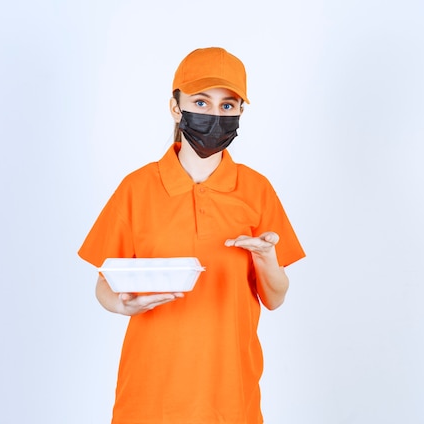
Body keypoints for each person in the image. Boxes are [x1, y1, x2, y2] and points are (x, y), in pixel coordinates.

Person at [78, 47, 305, 424]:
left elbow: (275, 297)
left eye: (228, 106)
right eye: (201, 101)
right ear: (175, 107)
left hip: (231, 394)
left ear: (240, 113)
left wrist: (266, 259)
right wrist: (121, 304)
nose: (215, 115)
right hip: (150, 394)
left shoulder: (256, 190)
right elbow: (104, 283)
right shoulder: (136, 189)